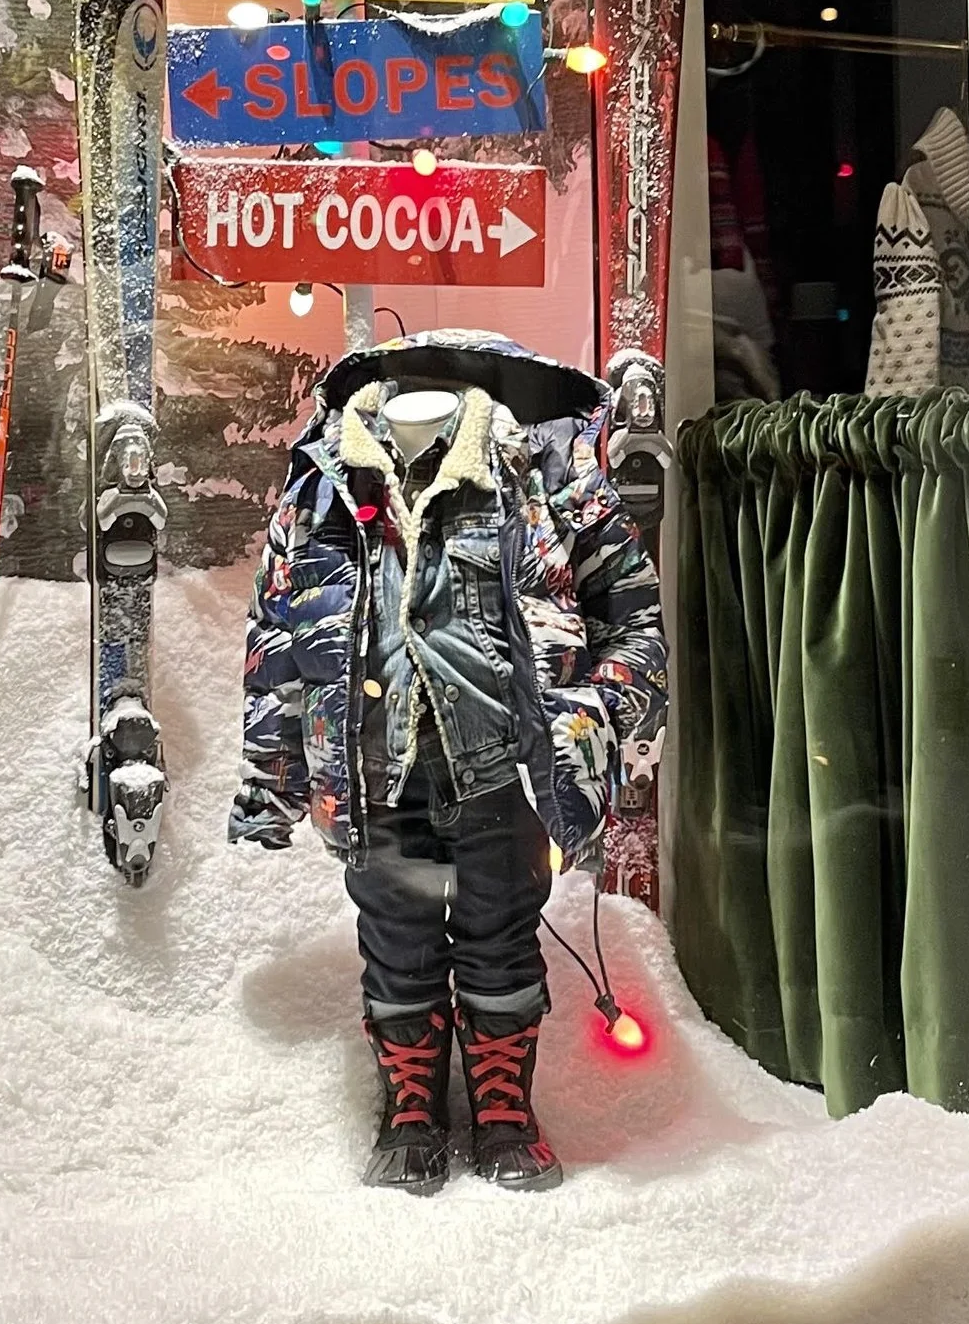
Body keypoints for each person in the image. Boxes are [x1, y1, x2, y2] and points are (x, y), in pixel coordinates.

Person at [230, 332, 666, 1193]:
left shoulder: (545, 473)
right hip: (369, 767)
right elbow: (277, 635)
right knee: (393, 939)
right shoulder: (320, 483)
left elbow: (636, 628)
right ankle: (412, 1106)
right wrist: (270, 776)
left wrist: (587, 727)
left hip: (505, 765)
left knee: (503, 933)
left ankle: (504, 1107)